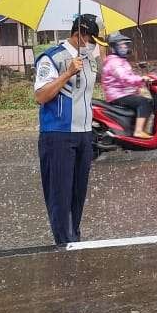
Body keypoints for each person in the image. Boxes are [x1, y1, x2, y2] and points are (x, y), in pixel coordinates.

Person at [35, 13, 100, 245]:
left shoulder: (89, 58)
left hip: (84, 134)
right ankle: (63, 244)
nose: (93, 46)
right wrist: (68, 73)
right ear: (79, 35)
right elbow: (41, 95)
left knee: (77, 195)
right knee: (60, 196)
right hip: (58, 135)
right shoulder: (52, 58)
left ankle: (74, 238)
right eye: (91, 40)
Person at [102, 32, 153, 137]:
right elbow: (124, 78)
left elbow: (128, 77)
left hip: (123, 93)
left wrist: (139, 85)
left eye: (125, 44)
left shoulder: (120, 60)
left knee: (148, 101)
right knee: (144, 102)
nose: (124, 47)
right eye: (121, 45)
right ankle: (138, 131)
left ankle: (139, 129)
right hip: (117, 95)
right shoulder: (114, 63)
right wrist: (141, 79)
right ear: (114, 48)